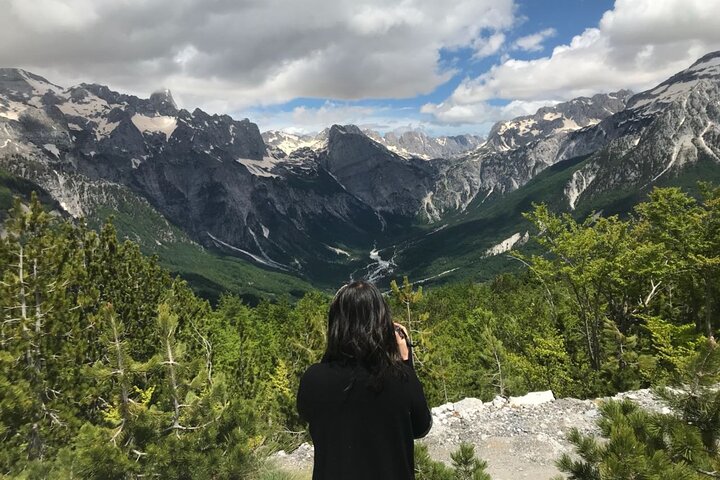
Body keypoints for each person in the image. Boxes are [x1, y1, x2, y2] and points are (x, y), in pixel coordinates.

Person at [296, 280, 432, 480]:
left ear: (335, 325)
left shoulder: (314, 379)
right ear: (383, 323)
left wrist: (333, 351)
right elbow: (421, 427)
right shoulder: (400, 377)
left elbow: (308, 413)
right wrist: (405, 361)